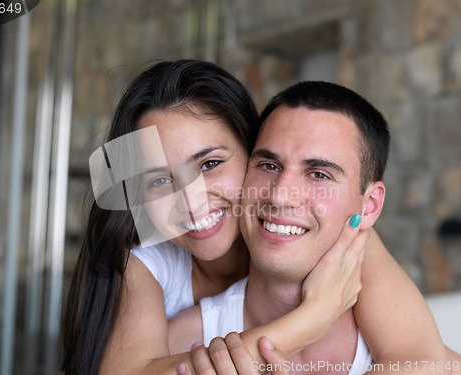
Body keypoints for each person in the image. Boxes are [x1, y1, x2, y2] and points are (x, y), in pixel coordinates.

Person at [61, 60, 448, 375]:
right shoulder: (145, 261)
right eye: (160, 180)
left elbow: (430, 361)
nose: (192, 203)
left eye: (210, 163)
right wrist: (311, 318)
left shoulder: (341, 233)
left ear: (251, 153)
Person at [169, 81, 452, 374]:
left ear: (368, 207)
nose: (279, 196)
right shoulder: (183, 345)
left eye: (318, 174)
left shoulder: (417, 354)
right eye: (268, 166)